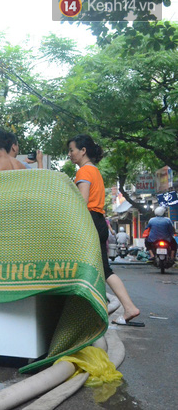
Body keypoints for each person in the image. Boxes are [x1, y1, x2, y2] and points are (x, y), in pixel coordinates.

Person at [68, 134, 143, 326]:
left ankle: (123, 308)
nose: (70, 154)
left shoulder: (84, 172)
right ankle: (121, 307)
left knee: (89, 268)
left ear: (83, 151)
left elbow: (82, 203)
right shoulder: (94, 171)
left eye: (72, 150)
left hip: (90, 221)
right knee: (102, 269)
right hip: (99, 221)